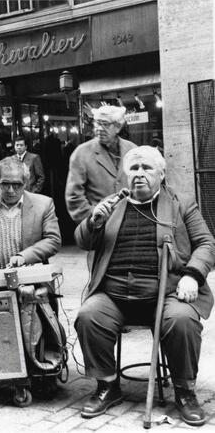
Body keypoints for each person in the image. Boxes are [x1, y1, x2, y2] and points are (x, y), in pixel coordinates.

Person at [74, 146, 215, 426]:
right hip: (113, 294)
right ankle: (107, 386)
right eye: (134, 169)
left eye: (147, 168)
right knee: (88, 316)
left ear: (161, 175)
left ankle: (185, 392)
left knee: (183, 320)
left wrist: (192, 275)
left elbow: (207, 244)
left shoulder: (181, 204)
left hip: (166, 292)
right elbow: (82, 241)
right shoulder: (113, 204)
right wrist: (93, 221)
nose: (139, 174)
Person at [0, 157, 61, 270]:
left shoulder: (43, 204)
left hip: (32, 276)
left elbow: (53, 240)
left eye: (17, 184)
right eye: (5, 184)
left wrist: (24, 257)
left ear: (25, 183)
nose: (10, 190)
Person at [65, 105, 136, 225]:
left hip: (130, 224)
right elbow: (74, 197)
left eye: (105, 124)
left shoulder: (133, 150)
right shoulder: (81, 153)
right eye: (97, 123)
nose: (99, 128)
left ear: (118, 127)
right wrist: (94, 217)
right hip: (98, 226)